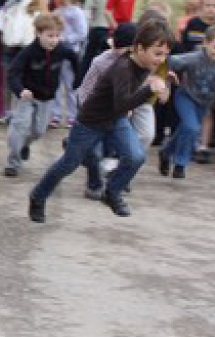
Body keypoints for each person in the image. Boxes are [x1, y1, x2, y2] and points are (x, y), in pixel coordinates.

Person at [29, 19, 175, 223]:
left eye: (165, 54)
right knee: (68, 164)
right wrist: (150, 89)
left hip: (116, 120)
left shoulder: (145, 62)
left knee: (136, 157)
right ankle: (38, 195)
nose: (161, 59)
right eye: (158, 54)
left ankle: (112, 192)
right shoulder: (122, 68)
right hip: (91, 121)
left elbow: (132, 97)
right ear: (139, 47)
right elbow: (122, 103)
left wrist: (163, 82)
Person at [159, 24, 215, 179]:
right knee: (191, 127)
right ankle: (180, 164)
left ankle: (166, 151)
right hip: (185, 97)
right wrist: (168, 76)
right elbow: (168, 61)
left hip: (204, 103)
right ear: (205, 43)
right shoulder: (193, 58)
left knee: (187, 129)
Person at [3, 13, 79, 177]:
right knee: (20, 127)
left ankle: (24, 145)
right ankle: (13, 163)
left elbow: (76, 60)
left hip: (48, 97)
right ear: (38, 34)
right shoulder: (29, 52)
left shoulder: (62, 49)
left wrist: (78, 81)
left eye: (57, 36)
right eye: (49, 36)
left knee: (38, 131)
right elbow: (12, 73)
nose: (53, 40)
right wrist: (20, 90)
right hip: (27, 95)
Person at [50, 0, 88, 127]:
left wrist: (64, 39)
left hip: (71, 52)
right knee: (56, 83)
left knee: (71, 84)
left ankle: (73, 114)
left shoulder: (77, 12)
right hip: (56, 52)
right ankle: (56, 114)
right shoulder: (57, 12)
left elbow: (82, 33)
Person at [79, 0, 115, 83]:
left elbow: (87, 15)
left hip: (97, 29)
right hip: (112, 30)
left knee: (88, 60)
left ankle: (81, 83)